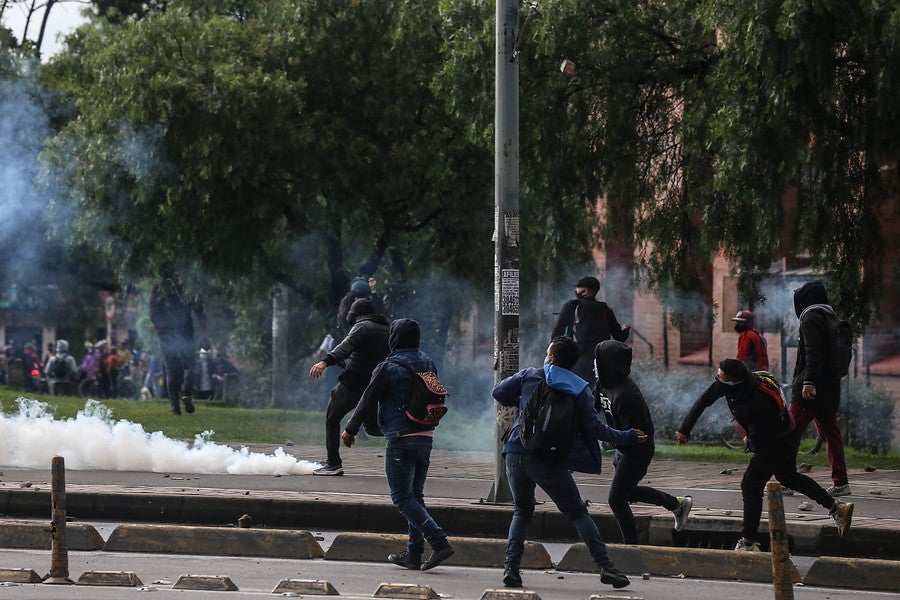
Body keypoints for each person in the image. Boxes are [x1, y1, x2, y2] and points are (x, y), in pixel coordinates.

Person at [492, 336, 645, 590]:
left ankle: (512, 568)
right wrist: (627, 436)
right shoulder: (580, 389)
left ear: (551, 358)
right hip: (548, 460)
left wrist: (522, 402)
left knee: (522, 511)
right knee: (577, 513)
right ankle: (606, 568)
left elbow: (498, 392)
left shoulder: (531, 375)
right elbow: (596, 429)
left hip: (516, 451)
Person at [675, 358, 853, 551]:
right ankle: (837, 509)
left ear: (734, 382)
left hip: (778, 440)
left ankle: (748, 542)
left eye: (721, 378)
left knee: (751, 484)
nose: (717, 381)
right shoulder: (729, 386)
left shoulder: (756, 403)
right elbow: (703, 401)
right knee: (789, 477)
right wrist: (685, 429)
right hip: (779, 433)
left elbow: (762, 441)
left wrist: (750, 439)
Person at [341, 318, 455, 572]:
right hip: (426, 436)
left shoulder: (388, 366)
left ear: (395, 338)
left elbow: (367, 399)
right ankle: (413, 554)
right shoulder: (428, 361)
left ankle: (439, 541)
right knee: (415, 496)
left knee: (401, 498)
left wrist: (350, 429)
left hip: (401, 438)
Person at [593, 339, 692, 543]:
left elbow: (638, 437)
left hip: (637, 453)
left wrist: (612, 439)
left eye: (598, 359)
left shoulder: (627, 397)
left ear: (608, 363)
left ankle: (631, 546)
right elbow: (593, 407)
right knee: (626, 493)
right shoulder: (603, 382)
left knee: (616, 500)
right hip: (621, 449)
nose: (594, 364)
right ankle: (676, 504)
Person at [309, 298, 390, 476]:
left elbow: (345, 347)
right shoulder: (388, 329)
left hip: (355, 382)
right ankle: (403, 438)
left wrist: (324, 362)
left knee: (332, 417)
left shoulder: (362, 327)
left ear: (354, 314)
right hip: (377, 384)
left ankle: (333, 463)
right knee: (373, 428)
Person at [789, 280, 851, 496]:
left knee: (789, 430)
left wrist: (808, 382)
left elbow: (813, 353)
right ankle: (841, 482)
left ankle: (786, 478)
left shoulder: (811, 317)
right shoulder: (829, 316)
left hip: (811, 390)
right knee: (831, 432)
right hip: (830, 388)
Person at [551, 276, 630, 386]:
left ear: (585, 291)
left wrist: (555, 356)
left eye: (578, 288)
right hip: (599, 364)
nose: (576, 291)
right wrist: (625, 329)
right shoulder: (604, 309)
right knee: (594, 396)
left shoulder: (571, 306)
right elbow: (620, 337)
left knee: (576, 394)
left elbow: (557, 333)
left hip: (575, 363)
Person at [149, 278, 209, 415]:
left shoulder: (158, 286)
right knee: (189, 365)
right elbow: (199, 311)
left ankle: (174, 406)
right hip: (185, 332)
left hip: (164, 334)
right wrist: (205, 334)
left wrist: (160, 328)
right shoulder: (187, 284)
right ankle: (187, 393)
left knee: (171, 369)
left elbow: (153, 312)